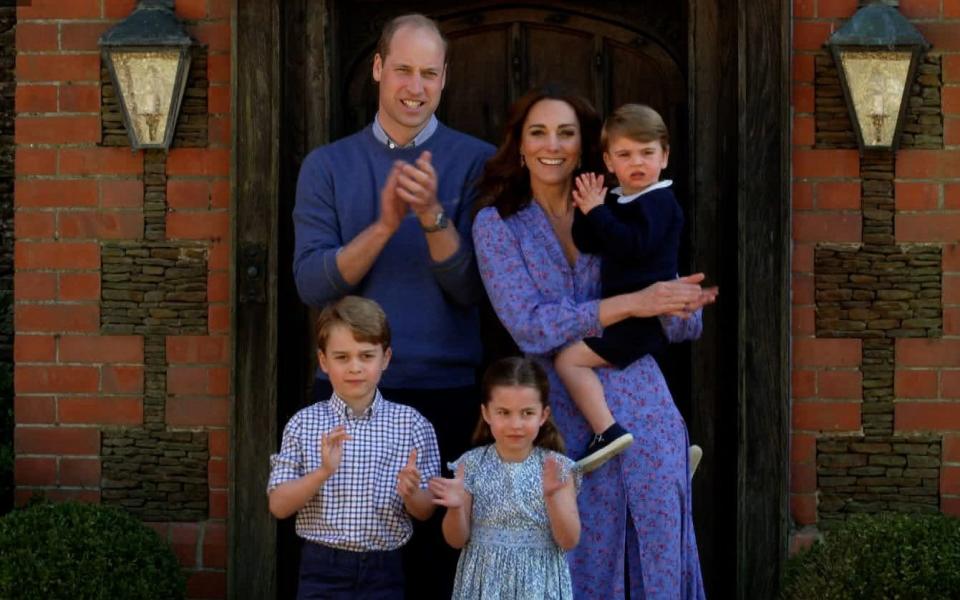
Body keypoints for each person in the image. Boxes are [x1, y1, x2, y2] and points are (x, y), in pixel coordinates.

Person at [472, 84, 716, 599]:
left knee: (655, 547)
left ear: (583, 147)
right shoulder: (497, 226)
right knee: (574, 560)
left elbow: (672, 314)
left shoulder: (623, 207)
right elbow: (529, 325)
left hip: (644, 405)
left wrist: (679, 306)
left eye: (566, 133)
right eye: (538, 132)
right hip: (558, 415)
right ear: (520, 144)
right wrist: (632, 304)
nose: (552, 145)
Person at [291, 13, 495, 597]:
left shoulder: (477, 163)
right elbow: (312, 285)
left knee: (438, 571)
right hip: (349, 399)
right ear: (378, 69)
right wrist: (383, 225)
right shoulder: (327, 166)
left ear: (445, 79)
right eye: (403, 69)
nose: (415, 86)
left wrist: (432, 217)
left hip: (447, 397)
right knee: (346, 566)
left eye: (429, 73)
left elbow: (474, 291)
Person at [267, 296, 441, 599]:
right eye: (342, 357)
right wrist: (323, 472)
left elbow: (425, 512)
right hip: (321, 565)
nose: (355, 367)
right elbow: (278, 506)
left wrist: (412, 493)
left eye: (366, 356)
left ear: (385, 358)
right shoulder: (303, 424)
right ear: (323, 361)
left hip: (384, 567)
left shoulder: (412, 424)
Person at [554, 104, 683, 473]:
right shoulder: (619, 200)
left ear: (665, 156)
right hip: (625, 314)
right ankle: (669, 453)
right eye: (625, 154)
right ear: (609, 162)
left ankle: (606, 431)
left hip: (642, 320)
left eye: (647, 153)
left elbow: (632, 245)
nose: (637, 162)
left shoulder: (660, 202)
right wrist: (587, 208)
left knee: (569, 360)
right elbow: (589, 241)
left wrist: (599, 211)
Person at [429, 357, 580, 599]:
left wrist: (553, 497)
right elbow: (456, 540)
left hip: (538, 585)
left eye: (527, 413)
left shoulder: (557, 468)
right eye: (504, 412)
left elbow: (569, 540)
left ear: (543, 415)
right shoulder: (471, 464)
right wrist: (456, 508)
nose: (515, 424)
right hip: (484, 582)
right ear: (486, 413)